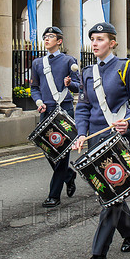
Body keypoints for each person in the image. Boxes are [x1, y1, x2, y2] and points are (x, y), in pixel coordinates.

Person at [72, 22, 130, 259]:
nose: (95, 43)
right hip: (95, 137)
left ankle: (98, 254)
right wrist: (81, 133)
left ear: (112, 43)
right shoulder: (86, 72)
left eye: (100, 39)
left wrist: (129, 120)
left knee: (111, 194)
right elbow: (83, 107)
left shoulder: (126, 67)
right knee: (110, 193)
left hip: (119, 139)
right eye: (92, 38)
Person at [29, 25, 79, 208]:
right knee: (49, 150)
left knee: (62, 152)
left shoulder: (68, 61)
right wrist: (38, 102)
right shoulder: (37, 63)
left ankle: (54, 195)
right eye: (45, 36)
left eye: (50, 36)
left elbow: (78, 86)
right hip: (46, 111)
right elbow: (34, 88)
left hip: (64, 110)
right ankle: (68, 175)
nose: (46, 39)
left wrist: (70, 83)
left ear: (59, 41)